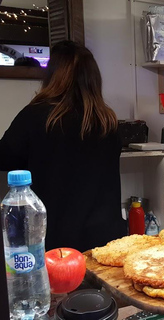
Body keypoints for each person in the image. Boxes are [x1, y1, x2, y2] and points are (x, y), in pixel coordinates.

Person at [0, 40, 127, 252]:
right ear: (93, 79)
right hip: (107, 241)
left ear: (52, 76)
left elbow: (5, 157)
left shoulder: (35, 116)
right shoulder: (108, 121)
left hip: (58, 243)